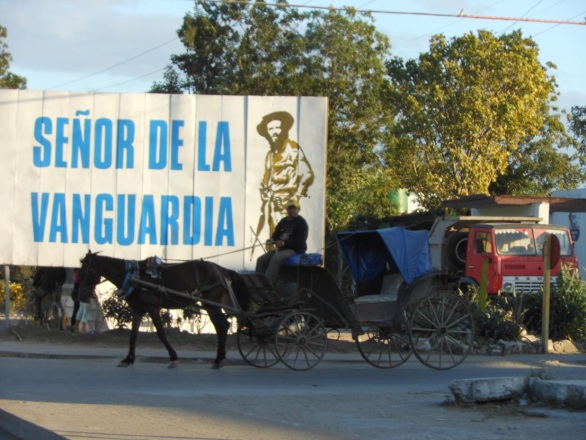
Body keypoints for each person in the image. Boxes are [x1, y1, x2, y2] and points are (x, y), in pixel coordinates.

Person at [251, 111, 314, 258]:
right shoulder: (270, 154)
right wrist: (265, 190)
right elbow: (265, 179)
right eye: (270, 129)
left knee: (280, 253)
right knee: (271, 243)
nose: (274, 132)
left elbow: (307, 174)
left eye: (277, 128)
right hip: (274, 203)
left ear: (284, 129)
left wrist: (295, 195)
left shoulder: (293, 149)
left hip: (287, 197)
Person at [255, 204, 308, 285]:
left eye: (294, 209)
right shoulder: (283, 221)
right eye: (290, 208)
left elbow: (300, 241)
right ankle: (258, 283)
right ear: (287, 210)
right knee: (261, 259)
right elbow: (276, 234)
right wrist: (272, 239)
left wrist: (284, 243)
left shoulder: (302, 223)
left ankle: (267, 284)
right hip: (281, 249)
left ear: (298, 210)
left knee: (276, 258)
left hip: (295, 250)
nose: (292, 211)